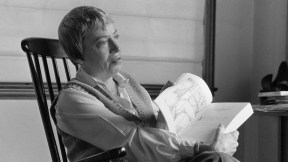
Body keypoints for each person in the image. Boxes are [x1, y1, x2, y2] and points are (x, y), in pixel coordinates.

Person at [53, 6, 240, 162]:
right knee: (216, 158)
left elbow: (158, 135)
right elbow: (133, 141)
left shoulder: (130, 85)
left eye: (115, 37)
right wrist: (201, 148)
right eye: (102, 43)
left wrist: (167, 118)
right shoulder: (72, 99)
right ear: (77, 56)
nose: (116, 48)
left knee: (217, 157)